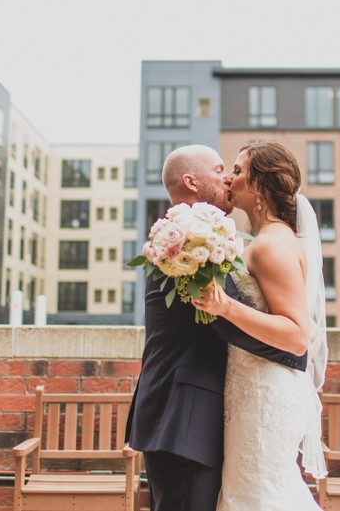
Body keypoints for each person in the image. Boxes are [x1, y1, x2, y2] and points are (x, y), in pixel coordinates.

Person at [126, 144, 308, 511]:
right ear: (192, 182)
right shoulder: (185, 239)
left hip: (206, 413)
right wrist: (293, 354)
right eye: (220, 169)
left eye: (234, 171)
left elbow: (227, 314)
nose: (227, 178)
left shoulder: (219, 239)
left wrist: (293, 349)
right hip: (183, 415)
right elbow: (217, 318)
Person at [193, 141, 328, 511]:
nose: (230, 179)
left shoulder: (272, 246)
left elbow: (298, 335)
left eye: (238, 171)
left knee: (261, 495)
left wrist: (226, 308)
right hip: (249, 388)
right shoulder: (261, 241)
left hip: (265, 394)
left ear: (261, 186)